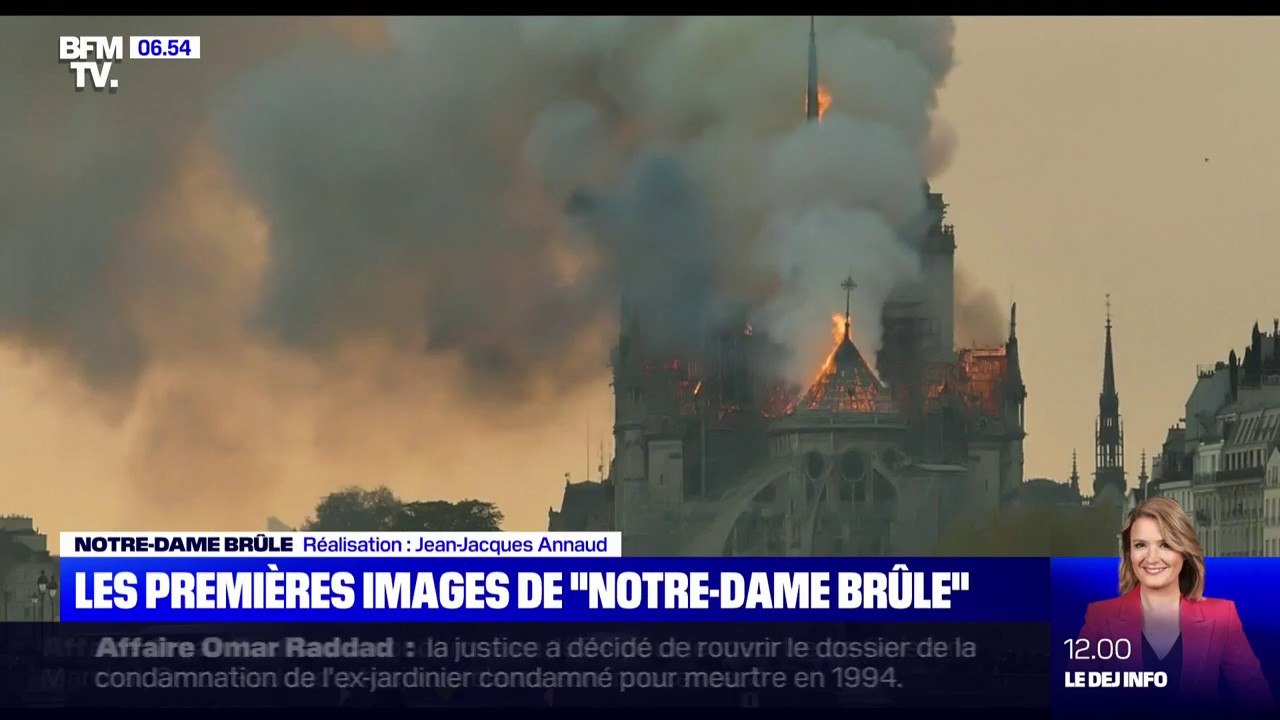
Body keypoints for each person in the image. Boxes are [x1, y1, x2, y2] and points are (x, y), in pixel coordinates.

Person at [1074, 497, 1273, 710]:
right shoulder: (1100, 617)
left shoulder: (1222, 616)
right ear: (1129, 553)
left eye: (1165, 545)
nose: (1152, 558)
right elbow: (1073, 700)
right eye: (1140, 545)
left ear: (1184, 552)